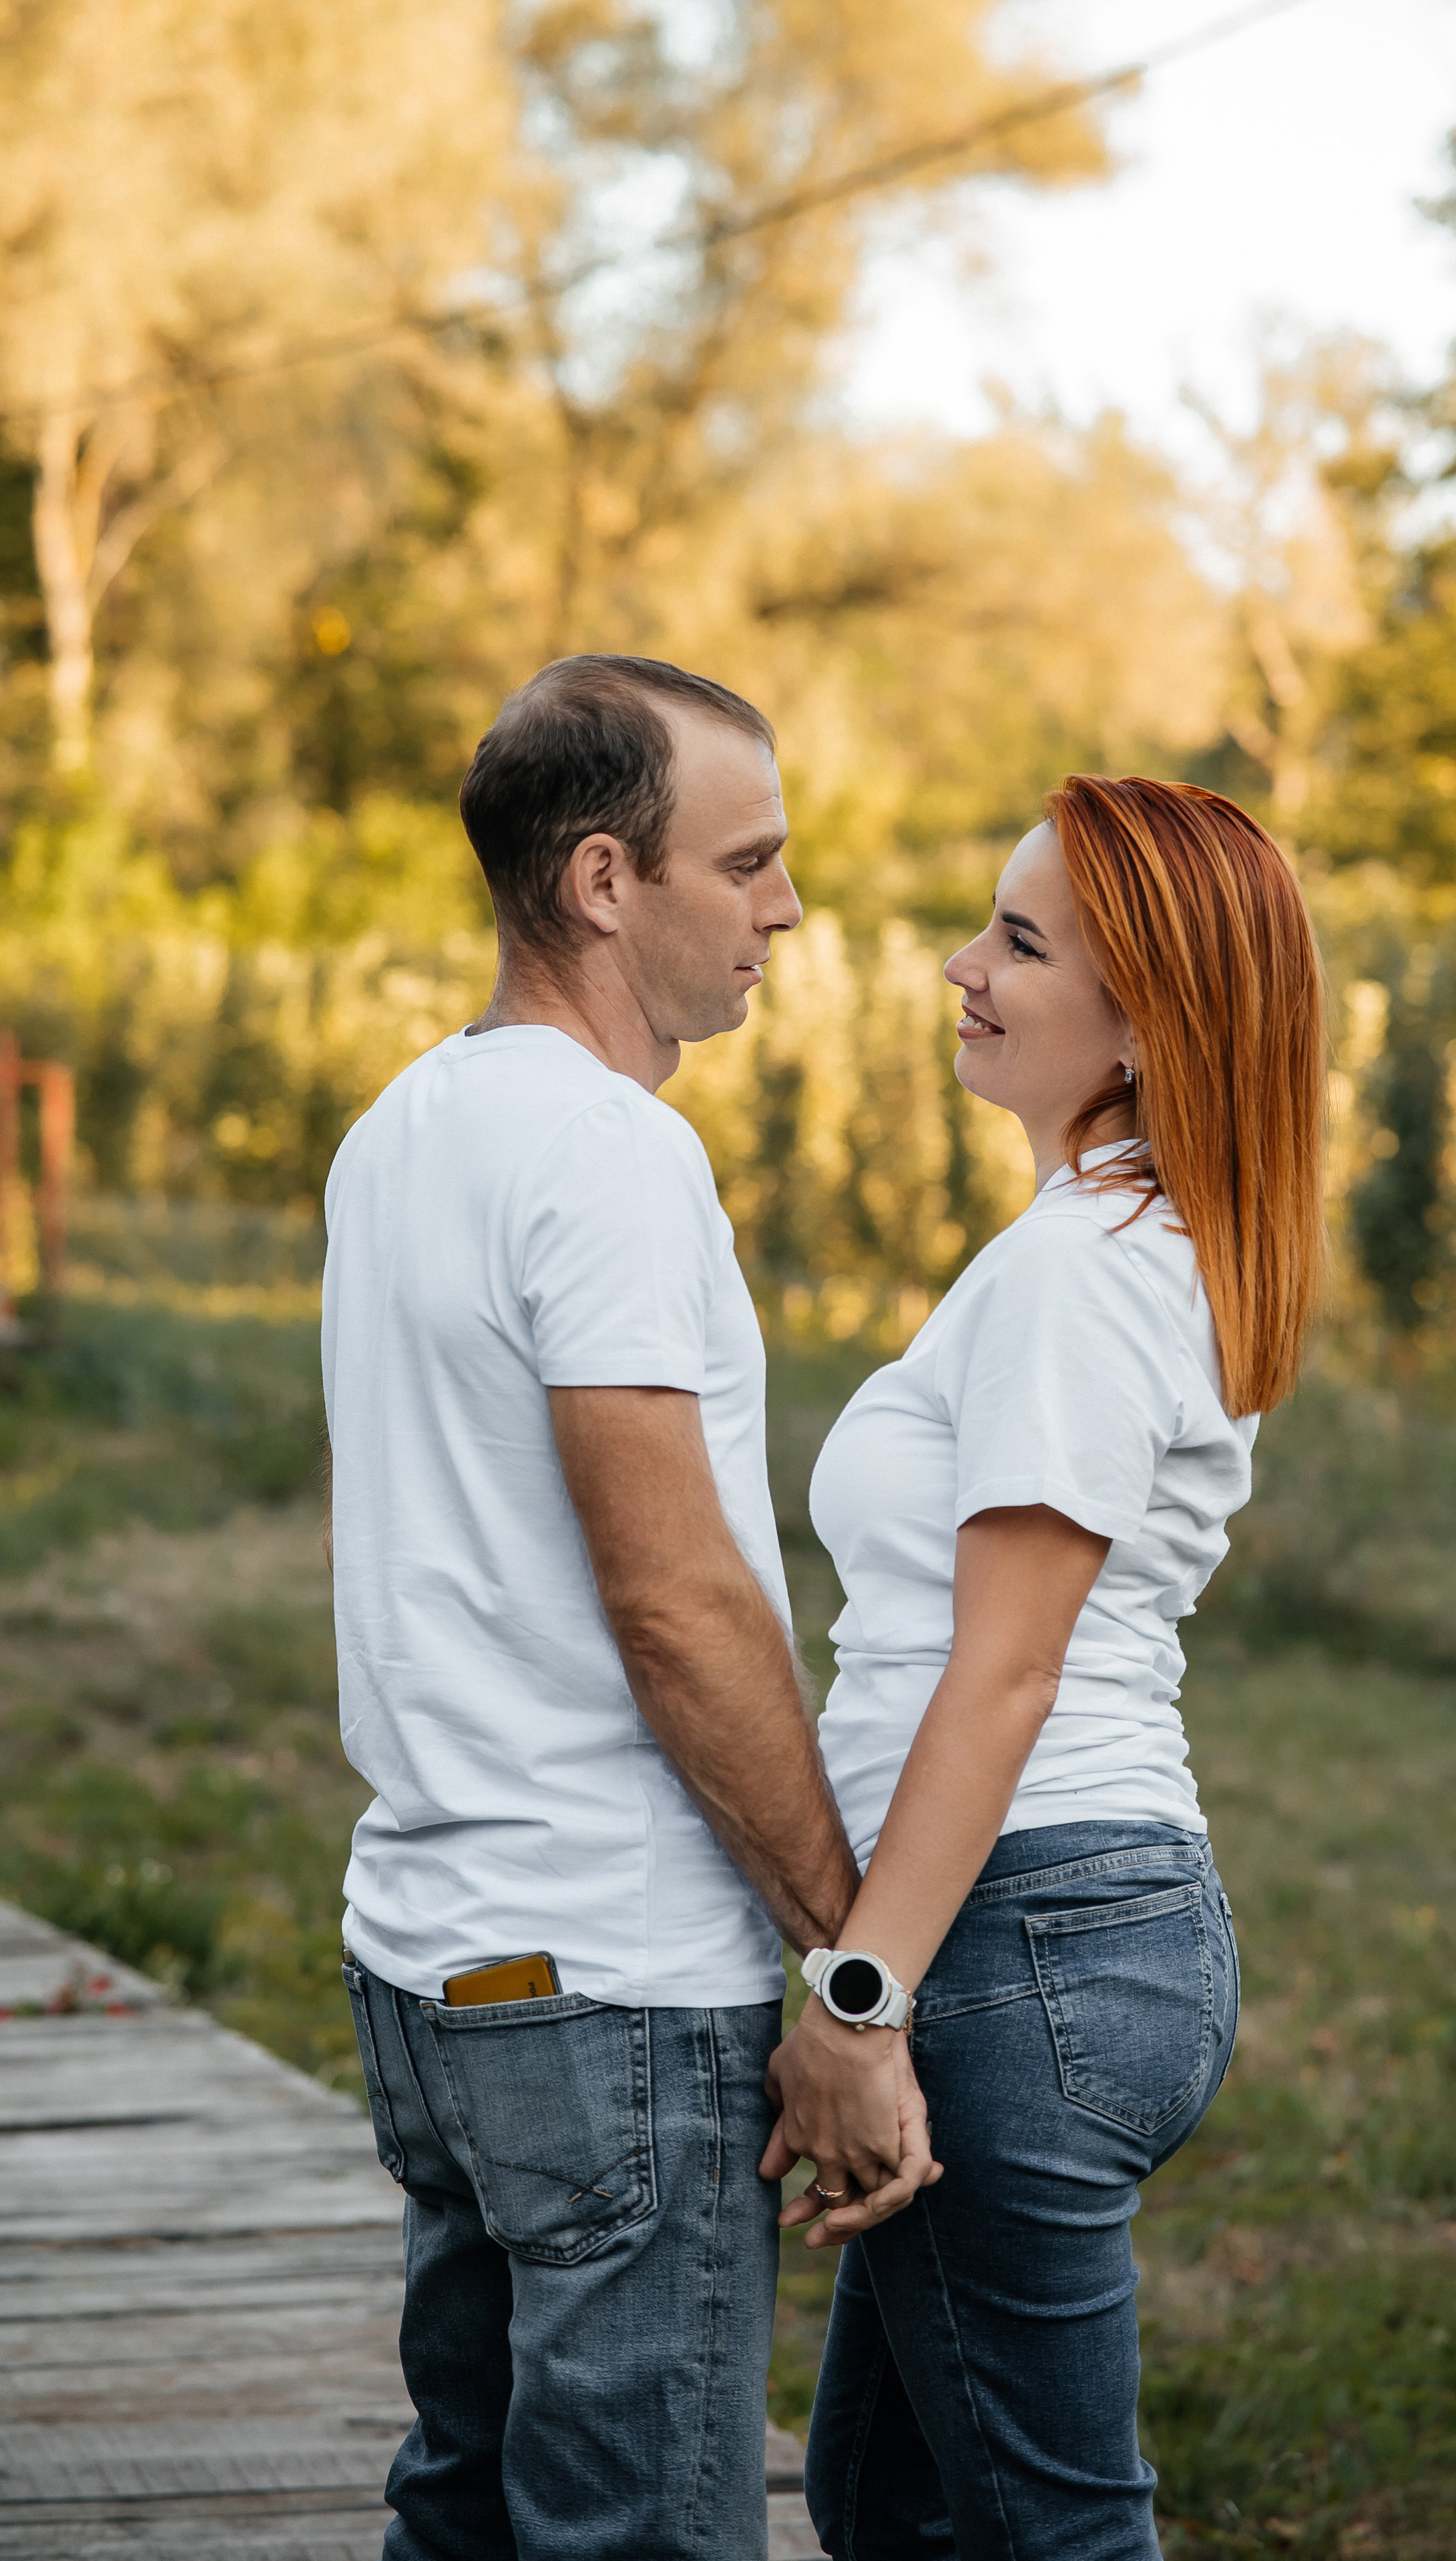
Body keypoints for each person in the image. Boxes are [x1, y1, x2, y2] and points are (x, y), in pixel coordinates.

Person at [322, 654, 935, 2561]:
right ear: (604, 881)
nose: (785, 908)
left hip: (436, 1976)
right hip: (605, 1986)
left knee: (469, 2505)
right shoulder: (611, 1153)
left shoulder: (402, 1128)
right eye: (745, 862)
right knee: (643, 2532)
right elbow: (678, 1599)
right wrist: (857, 1968)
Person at [763, 775, 1327, 2560]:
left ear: (1151, 1020)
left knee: (1049, 2532)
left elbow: (1007, 1671)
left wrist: (861, 2001)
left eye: (1018, 942)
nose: (961, 967)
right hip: (1066, 1934)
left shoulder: (1083, 1274)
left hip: (1018, 1948)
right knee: (886, 2497)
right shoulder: (1121, 1247)